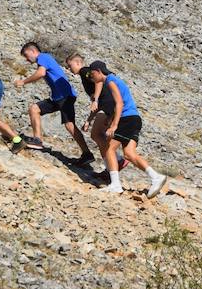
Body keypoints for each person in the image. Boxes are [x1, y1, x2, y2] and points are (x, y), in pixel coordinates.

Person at [85, 61, 168, 197]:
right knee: (129, 154)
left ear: (99, 71)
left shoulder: (110, 81)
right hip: (135, 119)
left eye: (92, 73)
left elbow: (119, 103)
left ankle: (116, 185)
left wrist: (114, 125)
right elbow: (120, 102)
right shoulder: (113, 80)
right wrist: (111, 118)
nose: (91, 77)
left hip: (127, 119)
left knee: (109, 148)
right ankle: (156, 177)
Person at [14, 42, 93, 165]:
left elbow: (41, 73)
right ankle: (37, 140)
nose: (26, 59)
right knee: (34, 109)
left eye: (26, 55)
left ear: (33, 51)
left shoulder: (43, 57)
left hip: (65, 96)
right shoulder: (44, 59)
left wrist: (23, 82)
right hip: (57, 97)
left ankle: (87, 154)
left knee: (69, 125)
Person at [66, 53, 110, 178]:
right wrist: (89, 120)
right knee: (100, 136)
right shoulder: (83, 75)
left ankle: (115, 163)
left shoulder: (85, 71)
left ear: (78, 63)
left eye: (70, 65)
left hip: (108, 105)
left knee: (98, 136)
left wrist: (95, 99)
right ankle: (110, 168)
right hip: (104, 105)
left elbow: (98, 81)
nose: (69, 69)